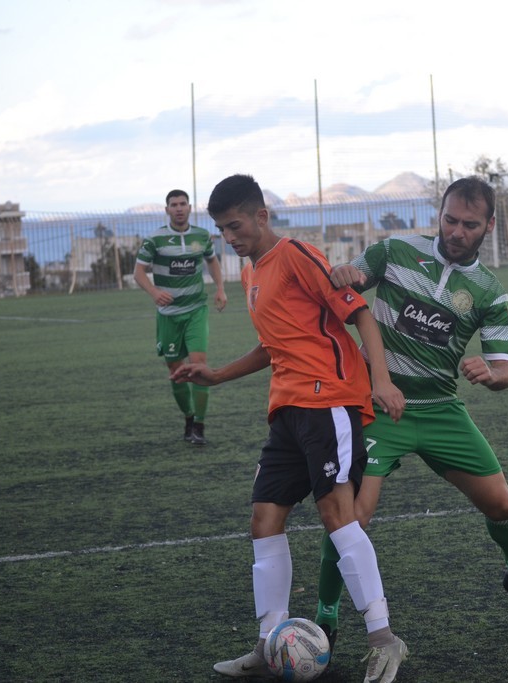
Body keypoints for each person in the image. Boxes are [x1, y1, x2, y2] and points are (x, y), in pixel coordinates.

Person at [314, 176, 508, 646]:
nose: (456, 231)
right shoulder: (394, 251)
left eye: (469, 225)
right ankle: (324, 619)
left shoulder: (489, 291)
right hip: (377, 408)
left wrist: (492, 374)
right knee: (351, 517)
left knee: (503, 507)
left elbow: (506, 370)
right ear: (439, 214)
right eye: (450, 219)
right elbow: (345, 283)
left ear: (488, 226)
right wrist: (344, 272)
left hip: (441, 411)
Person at [171, 174, 409, 683]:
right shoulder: (250, 273)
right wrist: (218, 374)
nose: (229, 237)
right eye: (221, 230)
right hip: (286, 411)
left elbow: (361, 316)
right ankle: (268, 643)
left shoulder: (298, 255)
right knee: (264, 519)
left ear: (261, 216)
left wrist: (382, 382)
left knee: (337, 515)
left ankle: (384, 639)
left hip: (329, 402)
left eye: (235, 226)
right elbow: (272, 345)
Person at [133, 189, 227, 445]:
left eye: (183, 204)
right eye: (174, 204)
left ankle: (199, 426)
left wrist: (220, 288)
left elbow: (212, 261)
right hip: (168, 316)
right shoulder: (155, 239)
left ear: (189, 208)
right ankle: (188, 416)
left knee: (199, 365)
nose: (179, 208)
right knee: (176, 372)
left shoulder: (201, 236)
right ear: (167, 210)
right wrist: (154, 292)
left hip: (196, 310)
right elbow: (139, 272)